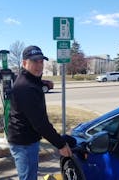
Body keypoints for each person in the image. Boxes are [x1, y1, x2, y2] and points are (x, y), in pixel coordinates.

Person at [7, 45, 72, 180]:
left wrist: (45, 82)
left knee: (30, 175)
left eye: (41, 61)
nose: (39, 65)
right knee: (28, 177)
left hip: (27, 139)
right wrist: (60, 144)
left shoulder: (30, 81)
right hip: (23, 143)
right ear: (24, 63)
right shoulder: (26, 87)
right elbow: (40, 124)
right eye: (34, 61)